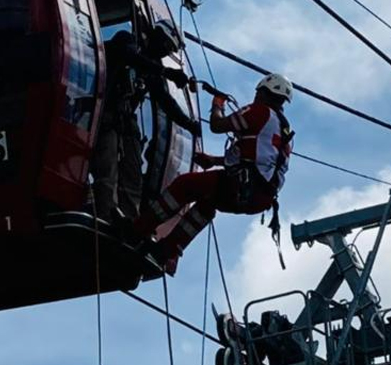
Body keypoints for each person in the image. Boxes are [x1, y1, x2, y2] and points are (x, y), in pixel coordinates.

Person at [135, 73, 295, 266]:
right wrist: (214, 160)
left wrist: (217, 104)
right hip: (259, 198)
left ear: (263, 92)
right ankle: (166, 252)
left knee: (185, 185)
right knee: (207, 204)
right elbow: (257, 160)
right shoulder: (285, 130)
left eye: (258, 93)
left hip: (242, 185)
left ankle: (138, 229)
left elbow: (217, 126)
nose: (255, 97)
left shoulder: (259, 112)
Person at [93, 19, 200, 222]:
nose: (164, 52)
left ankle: (131, 219)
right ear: (156, 35)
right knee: (107, 165)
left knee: (133, 171)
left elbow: (166, 102)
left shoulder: (151, 70)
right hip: (106, 112)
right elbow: (128, 56)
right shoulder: (127, 42)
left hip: (124, 121)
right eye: (166, 45)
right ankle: (106, 213)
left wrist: (189, 124)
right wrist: (166, 72)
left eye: (169, 50)